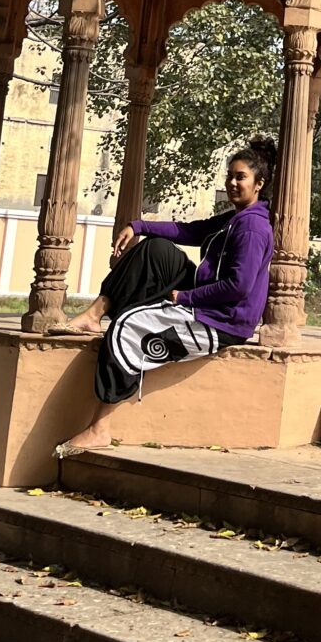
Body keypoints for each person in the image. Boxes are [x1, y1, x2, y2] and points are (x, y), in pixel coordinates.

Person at [56, 135, 275, 454]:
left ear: (259, 183)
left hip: (222, 322)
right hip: (206, 302)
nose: (231, 182)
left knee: (127, 328)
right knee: (154, 251)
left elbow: (237, 287)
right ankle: (94, 314)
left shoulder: (252, 228)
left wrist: (183, 298)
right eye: (229, 175)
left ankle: (99, 427)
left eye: (240, 176)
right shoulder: (235, 219)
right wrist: (138, 225)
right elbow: (189, 231)